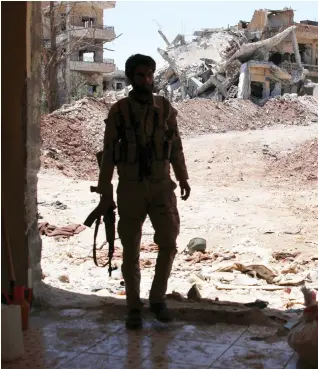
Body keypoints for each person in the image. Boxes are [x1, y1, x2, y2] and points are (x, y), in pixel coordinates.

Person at [96, 54, 190, 329]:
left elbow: (176, 146)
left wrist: (183, 177)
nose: (146, 80)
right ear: (130, 78)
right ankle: (134, 307)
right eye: (140, 75)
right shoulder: (119, 111)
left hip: (162, 186)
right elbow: (110, 154)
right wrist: (105, 192)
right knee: (130, 250)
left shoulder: (164, 107)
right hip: (131, 188)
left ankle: (157, 300)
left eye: (150, 75)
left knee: (169, 243)